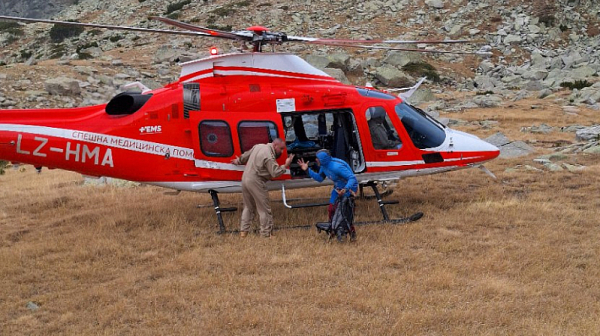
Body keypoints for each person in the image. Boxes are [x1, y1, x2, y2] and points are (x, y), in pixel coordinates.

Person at [232, 138, 294, 238]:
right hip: (256, 180)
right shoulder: (269, 156)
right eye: (281, 149)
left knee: (248, 207)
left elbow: (245, 156)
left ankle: (243, 232)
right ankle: (266, 234)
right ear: (275, 146)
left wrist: (238, 161)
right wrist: (286, 165)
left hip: (245, 178)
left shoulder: (258, 146)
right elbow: (275, 172)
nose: (282, 152)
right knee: (264, 209)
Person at [297, 149, 358, 240]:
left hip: (349, 188)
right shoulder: (324, 166)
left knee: (344, 212)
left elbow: (352, 178)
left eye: (317, 158)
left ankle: (351, 233)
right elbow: (320, 178)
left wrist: (345, 189)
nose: (316, 160)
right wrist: (307, 170)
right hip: (337, 188)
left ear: (323, 159)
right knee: (331, 209)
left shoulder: (336, 167)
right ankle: (333, 229)